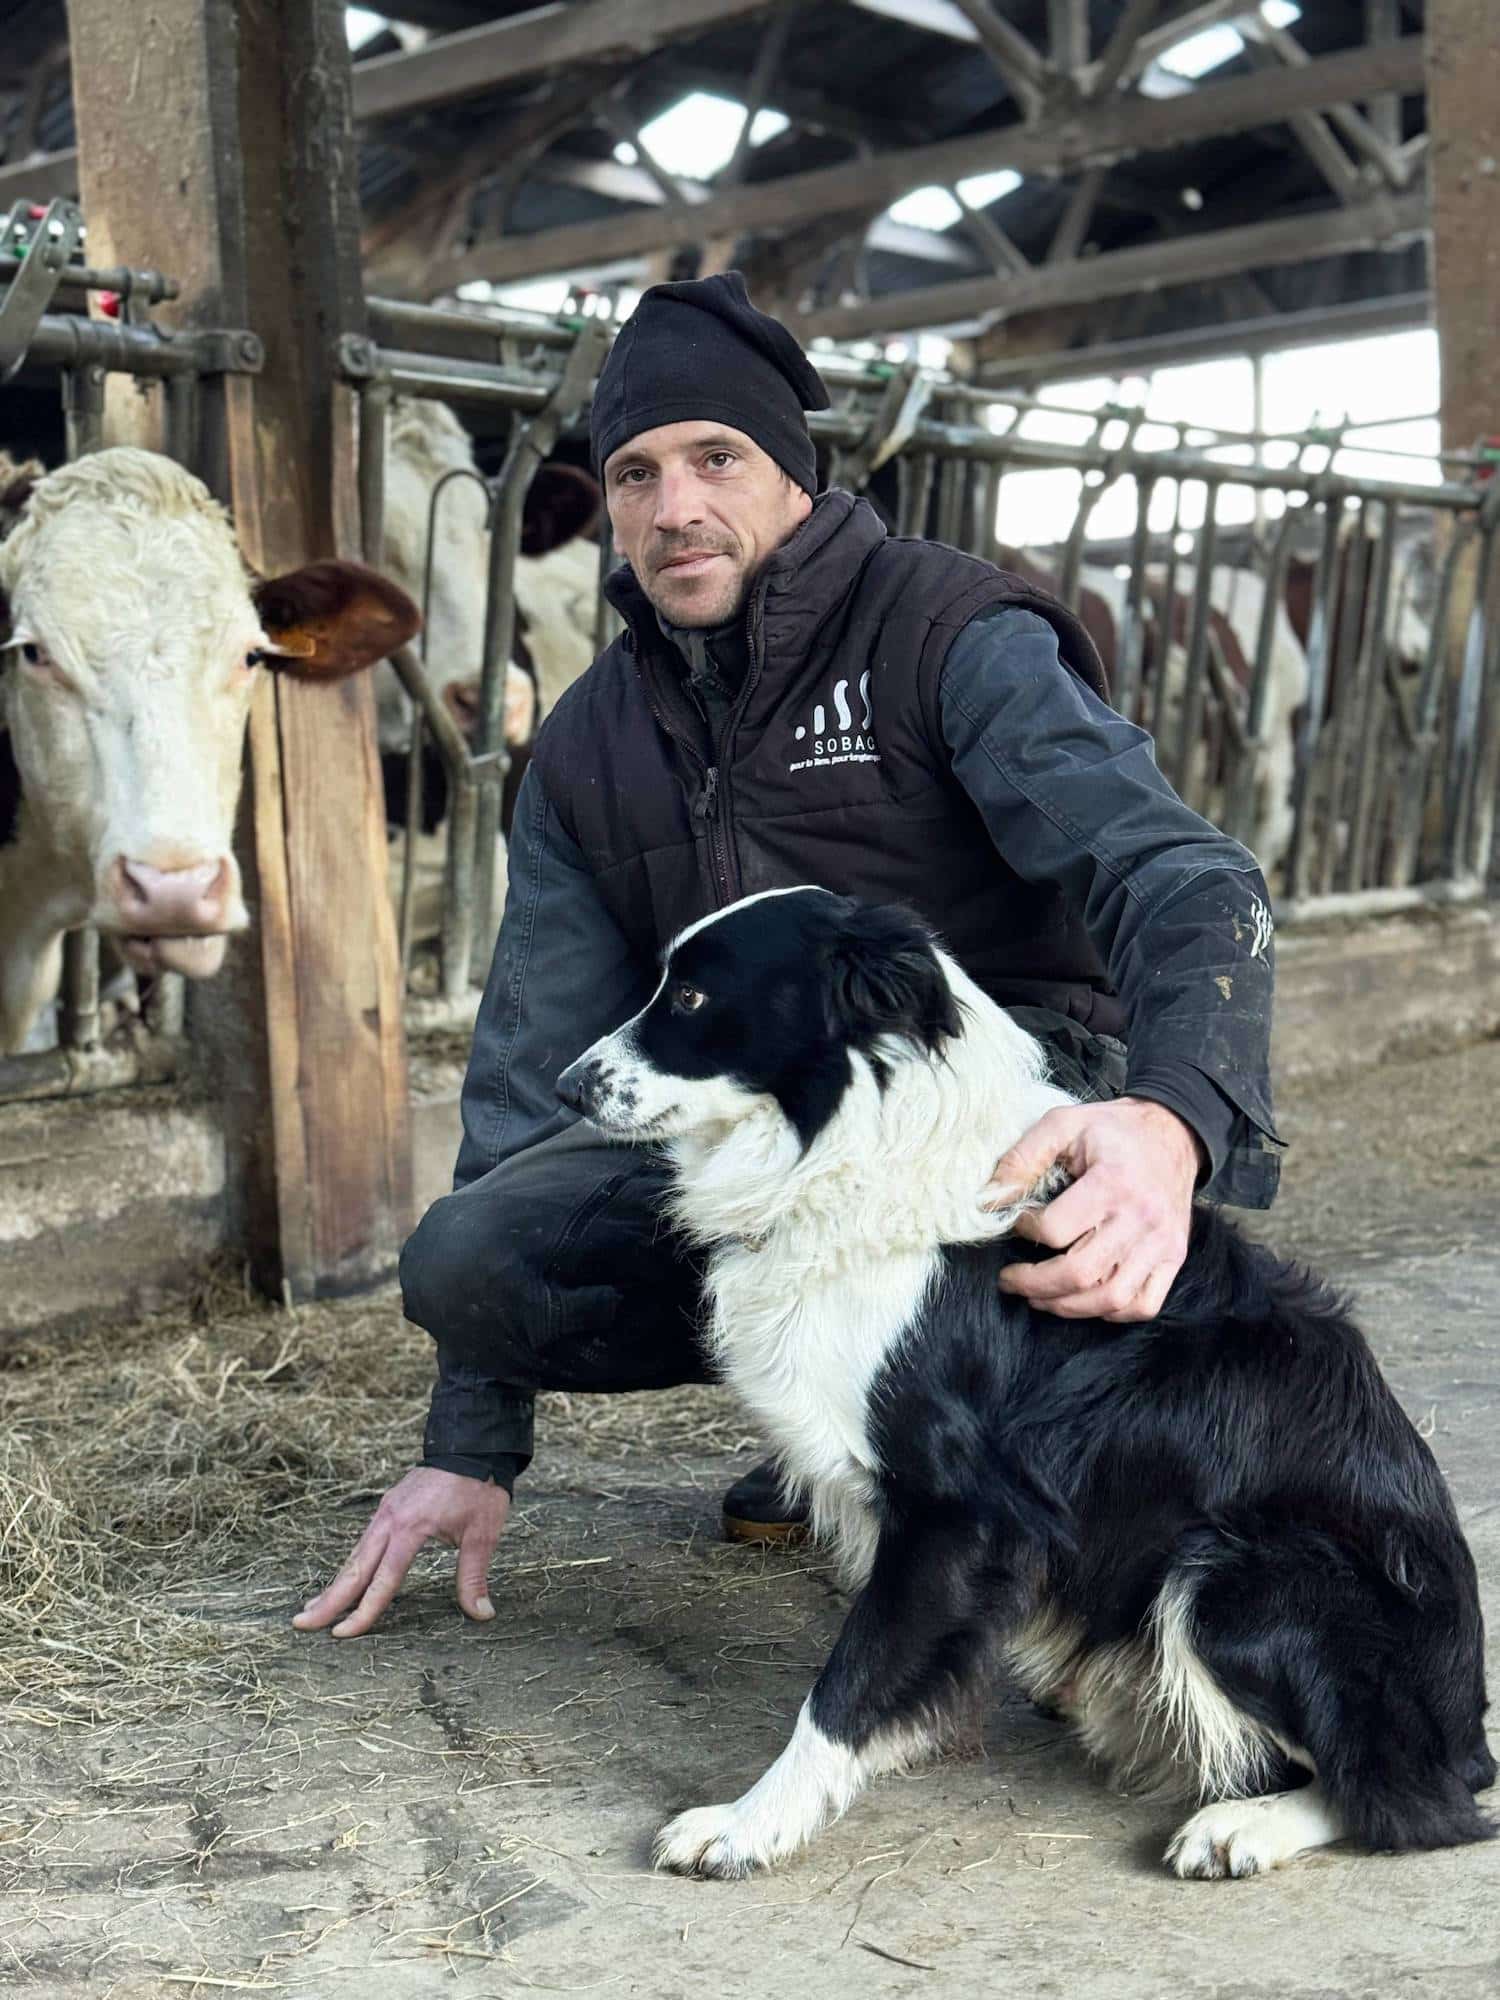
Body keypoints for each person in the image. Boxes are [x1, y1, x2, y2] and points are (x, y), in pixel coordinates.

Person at [295, 273, 1280, 1641]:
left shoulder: (947, 635)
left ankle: (923, 1422)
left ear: (793, 476)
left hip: (997, 1105)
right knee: (475, 1256)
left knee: (906, 1175)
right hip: (774, 1124)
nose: (674, 506)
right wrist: (470, 1443)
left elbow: (1181, 875)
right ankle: (828, 1405)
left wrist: (1173, 1127)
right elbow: (527, 1076)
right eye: (632, 473)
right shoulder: (590, 740)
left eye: (717, 458)